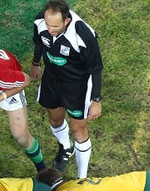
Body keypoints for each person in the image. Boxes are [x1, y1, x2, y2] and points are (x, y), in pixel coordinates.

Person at [31, 0, 103, 178]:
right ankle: (65, 147)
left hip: (76, 87)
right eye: (48, 24)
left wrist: (96, 100)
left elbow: (96, 69)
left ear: (67, 21)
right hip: (51, 80)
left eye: (55, 26)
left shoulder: (83, 35)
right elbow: (39, 42)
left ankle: (82, 177)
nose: (50, 29)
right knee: (55, 120)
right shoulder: (40, 23)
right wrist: (35, 63)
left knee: (79, 130)